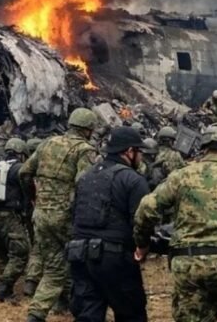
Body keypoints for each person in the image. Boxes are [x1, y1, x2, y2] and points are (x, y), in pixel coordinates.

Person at [134, 122, 217, 322]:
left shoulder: (180, 177)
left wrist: (143, 244)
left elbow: (147, 209)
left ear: (204, 147)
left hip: (187, 265)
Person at [20, 108, 98, 322]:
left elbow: (24, 172)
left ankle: (49, 308)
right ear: (88, 129)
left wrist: (33, 198)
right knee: (77, 264)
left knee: (55, 264)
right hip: (66, 216)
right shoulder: (84, 149)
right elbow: (85, 183)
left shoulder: (47, 143)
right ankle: (73, 309)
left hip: (41, 214)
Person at [69, 127, 151, 322]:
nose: (141, 157)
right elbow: (141, 221)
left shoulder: (85, 177)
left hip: (79, 255)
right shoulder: (133, 180)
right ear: (129, 152)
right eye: (139, 152)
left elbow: (74, 213)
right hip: (114, 258)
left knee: (88, 315)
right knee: (131, 314)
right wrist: (143, 247)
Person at [0, 138, 32, 303]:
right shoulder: (18, 168)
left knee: (3, 254)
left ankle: (6, 288)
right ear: (21, 153)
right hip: (8, 215)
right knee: (21, 253)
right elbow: (27, 187)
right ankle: (3, 286)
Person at [23, 136, 44, 298]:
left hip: (33, 210)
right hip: (51, 209)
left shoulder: (28, 168)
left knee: (36, 245)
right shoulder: (51, 166)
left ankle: (31, 279)